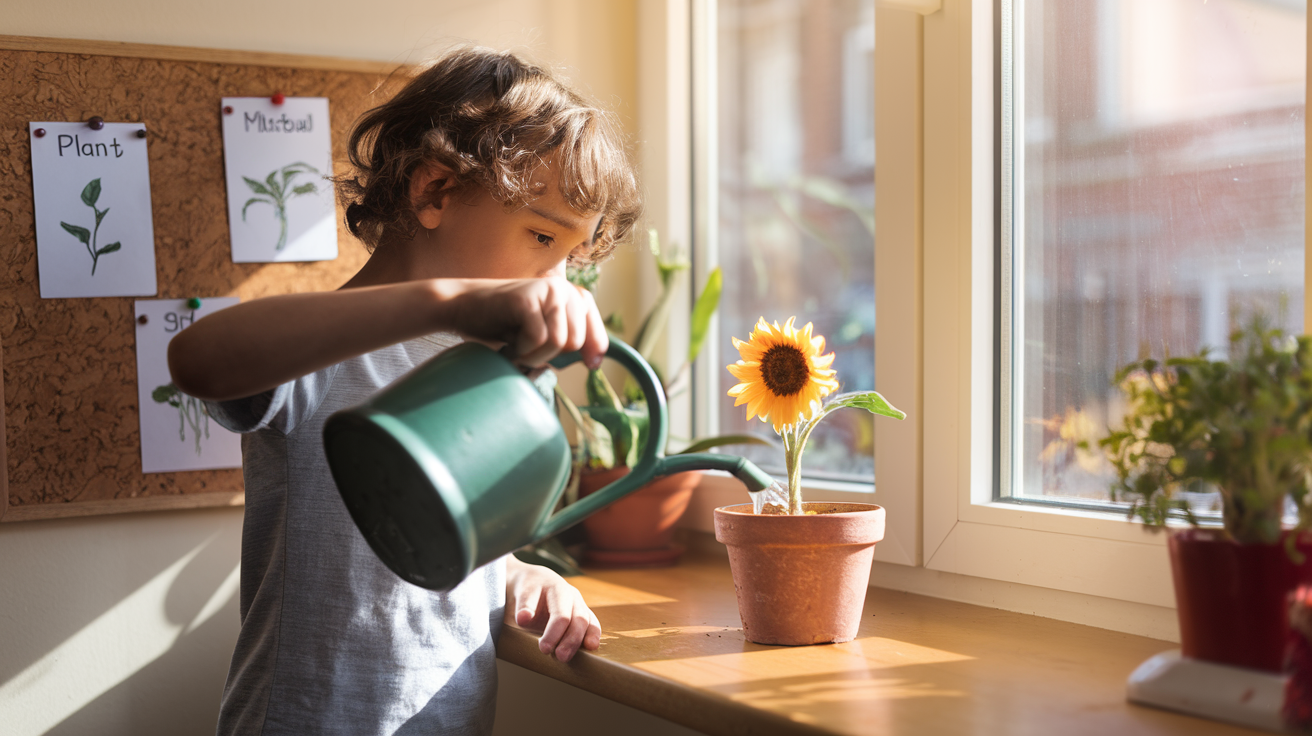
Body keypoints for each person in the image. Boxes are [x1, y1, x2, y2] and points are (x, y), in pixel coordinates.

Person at [169, 46, 642, 736]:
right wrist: (447, 302)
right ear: (434, 194)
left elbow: (431, 529)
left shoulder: (505, 375)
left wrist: (518, 574)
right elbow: (197, 359)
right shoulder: (328, 351)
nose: (558, 283)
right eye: (542, 236)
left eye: (575, 258)